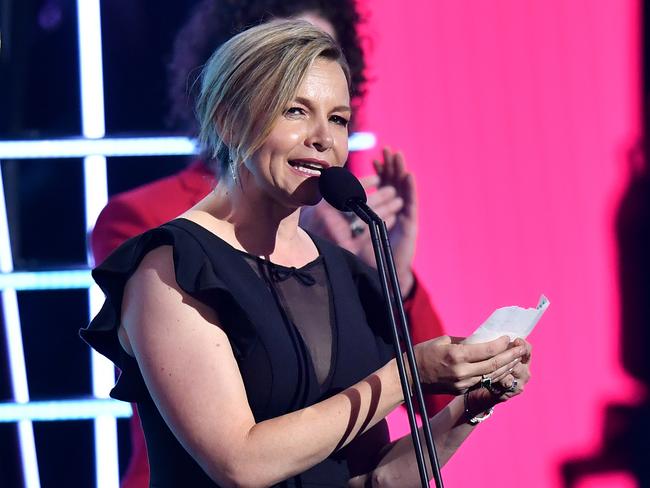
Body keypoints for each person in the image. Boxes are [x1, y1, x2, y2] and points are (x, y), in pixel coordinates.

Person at [82, 20, 532, 487]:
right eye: (296, 111)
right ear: (227, 121)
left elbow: (377, 480)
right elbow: (241, 463)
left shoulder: (344, 274)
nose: (324, 137)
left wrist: (469, 409)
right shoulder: (171, 268)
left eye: (338, 119)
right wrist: (407, 374)